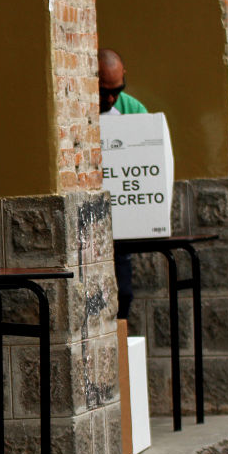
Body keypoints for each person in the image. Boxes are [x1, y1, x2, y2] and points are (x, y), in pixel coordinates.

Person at [100, 48, 147, 319]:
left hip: (121, 226)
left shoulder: (132, 109)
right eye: (103, 91)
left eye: (116, 90)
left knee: (123, 294)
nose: (110, 98)